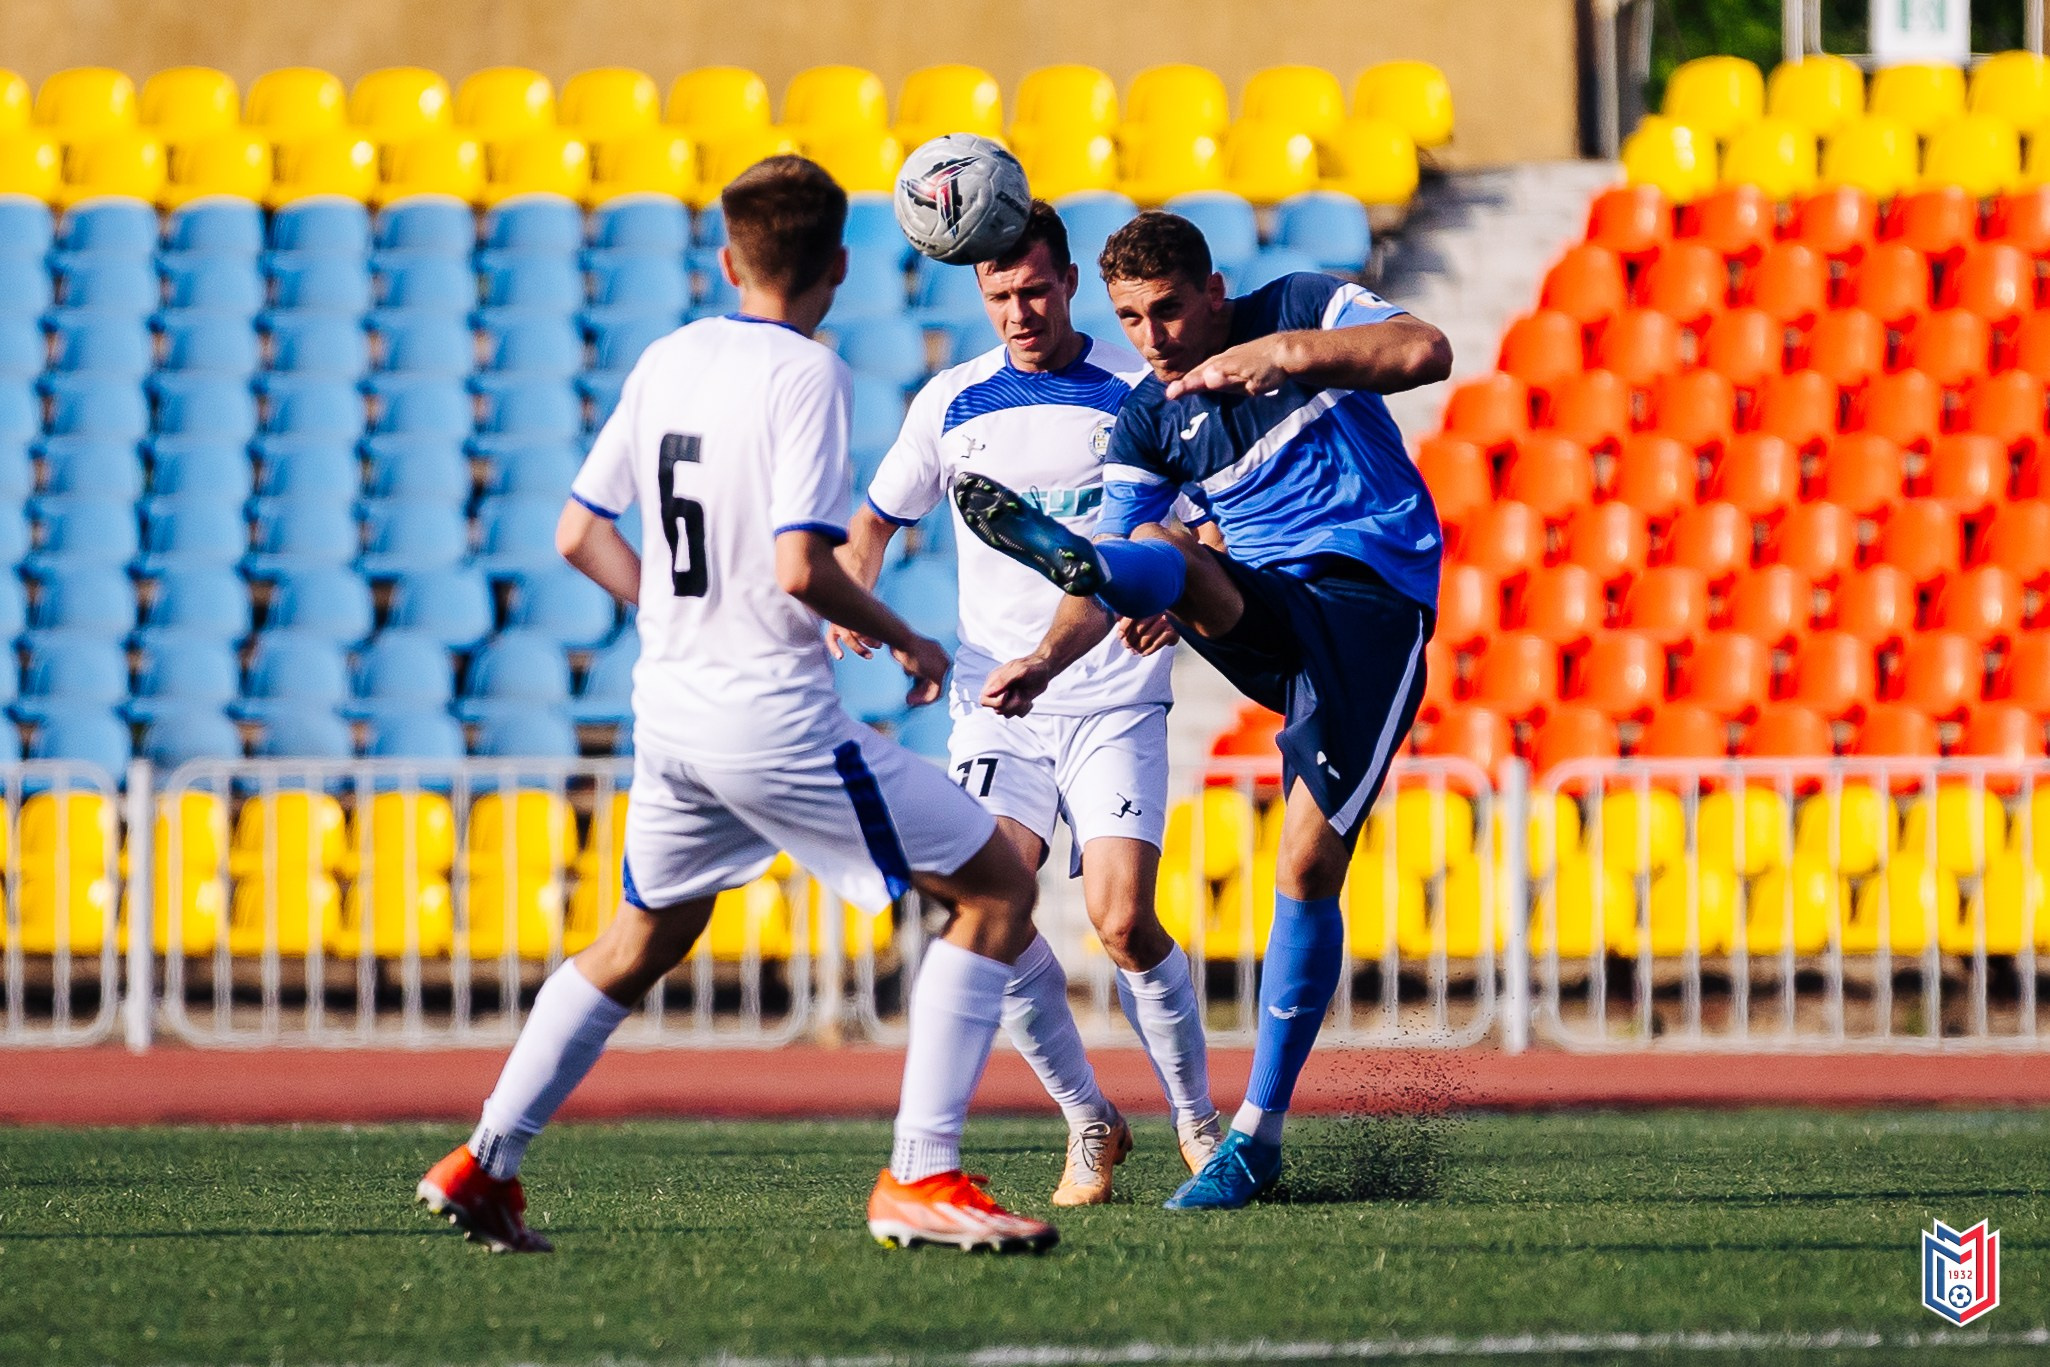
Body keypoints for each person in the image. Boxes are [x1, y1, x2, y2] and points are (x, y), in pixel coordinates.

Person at [416, 156, 1056, 1255]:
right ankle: (923, 1173)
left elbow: (578, 531)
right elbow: (802, 567)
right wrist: (905, 634)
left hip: (668, 711)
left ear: (727, 257)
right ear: (841, 266)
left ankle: (485, 1158)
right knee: (997, 887)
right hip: (769, 714)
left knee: (644, 933)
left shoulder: (670, 355)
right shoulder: (808, 373)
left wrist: (674, 610)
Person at [953, 210, 1450, 1210]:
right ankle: (1108, 559)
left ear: (1214, 290)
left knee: (1306, 861)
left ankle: (1255, 1134)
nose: (1151, 337)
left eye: (1169, 310)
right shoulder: (1147, 413)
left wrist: (1286, 357)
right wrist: (1052, 653)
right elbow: (1119, 561)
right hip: (1263, 604)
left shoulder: (1300, 307)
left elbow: (1423, 349)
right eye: (1131, 318)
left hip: (1369, 602)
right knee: (1162, 553)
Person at [830, 201, 1220, 1206]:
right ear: (978, 292)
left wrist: (1173, 599)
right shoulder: (950, 402)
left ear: (1068, 284)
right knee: (982, 906)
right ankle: (1090, 1118)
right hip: (997, 696)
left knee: (1123, 920)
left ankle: (1197, 1119)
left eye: (1036, 290)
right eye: (1000, 294)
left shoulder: (1135, 394)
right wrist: (858, 601)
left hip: (1113, 697)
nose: (1020, 310)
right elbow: (873, 521)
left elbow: (1205, 533)